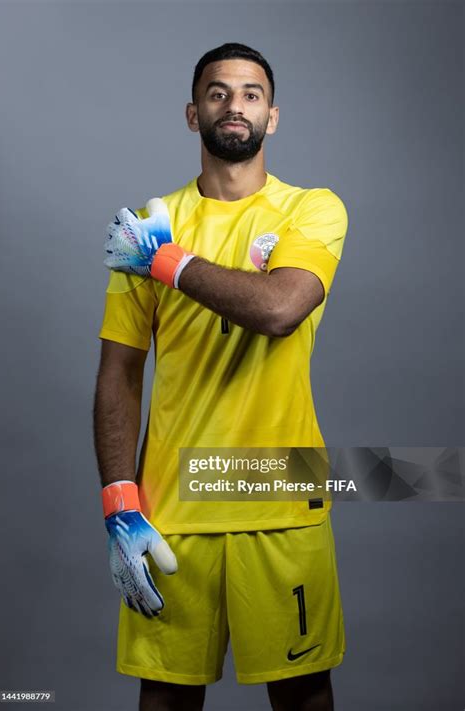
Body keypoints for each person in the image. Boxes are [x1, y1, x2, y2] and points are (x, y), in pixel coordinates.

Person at [94, 42, 348, 711]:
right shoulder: (152, 226)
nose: (233, 105)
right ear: (191, 113)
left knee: (302, 693)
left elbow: (279, 308)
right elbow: (119, 372)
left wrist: (167, 262)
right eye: (217, 92)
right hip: (174, 507)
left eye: (251, 93)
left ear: (272, 118)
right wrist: (120, 505)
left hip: (281, 493)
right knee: (165, 697)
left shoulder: (311, 210)